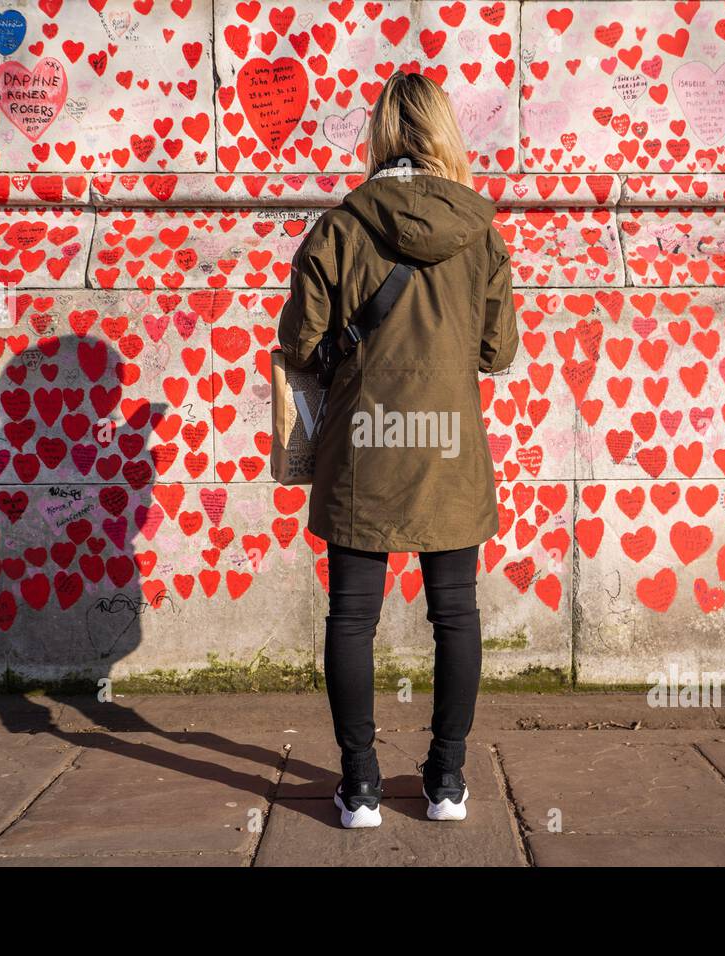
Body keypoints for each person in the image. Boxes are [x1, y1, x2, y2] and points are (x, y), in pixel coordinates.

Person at [278, 71, 518, 828]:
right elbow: (498, 351)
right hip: (448, 449)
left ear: (381, 134)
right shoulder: (480, 232)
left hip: (364, 451)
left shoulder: (339, 228)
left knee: (353, 619)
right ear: (444, 133)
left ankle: (361, 788)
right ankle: (445, 781)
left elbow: (298, 341)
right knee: (455, 614)